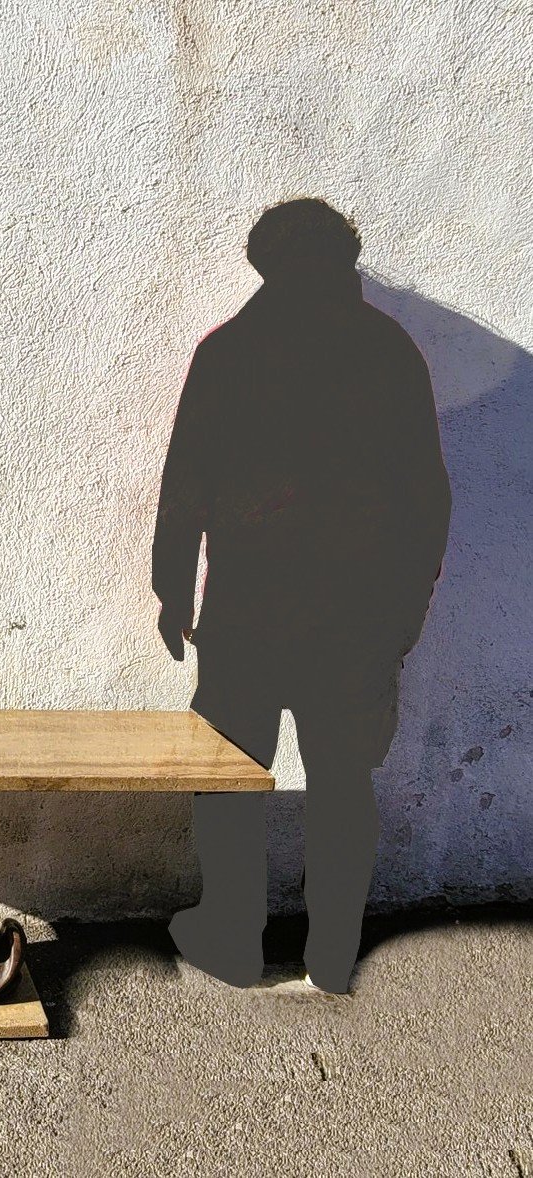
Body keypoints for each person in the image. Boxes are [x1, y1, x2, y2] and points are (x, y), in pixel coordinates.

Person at [152, 198, 452, 994]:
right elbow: (428, 503)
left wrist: (172, 591)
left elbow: (187, 487)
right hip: (353, 623)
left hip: (250, 615)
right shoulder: (390, 353)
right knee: (340, 788)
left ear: (263, 265)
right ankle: (331, 956)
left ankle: (230, 939)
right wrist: (402, 618)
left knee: (230, 782)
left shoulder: (230, 350)